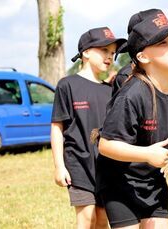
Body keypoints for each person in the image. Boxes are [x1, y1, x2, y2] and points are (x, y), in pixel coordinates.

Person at [96, 10, 168, 228]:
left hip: (153, 180)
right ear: (142, 56)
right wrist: (147, 154)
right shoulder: (131, 95)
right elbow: (105, 145)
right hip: (120, 181)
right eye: (163, 42)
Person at [51, 27, 125, 229]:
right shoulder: (67, 85)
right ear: (86, 52)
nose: (110, 57)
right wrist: (59, 166)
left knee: (102, 221)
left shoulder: (111, 91)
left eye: (113, 53)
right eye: (104, 50)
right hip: (78, 165)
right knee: (87, 219)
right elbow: (57, 128)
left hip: (106, 167)